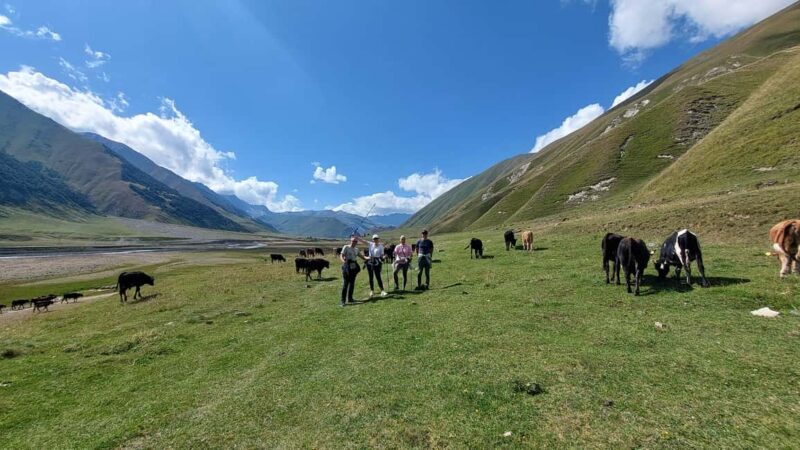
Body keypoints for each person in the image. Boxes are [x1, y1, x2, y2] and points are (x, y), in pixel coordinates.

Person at [340, 235, 367, 307]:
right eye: (353, 241)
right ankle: (342, 301)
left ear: (356, 242)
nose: (354, 242)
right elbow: (341, 255)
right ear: (350, 241)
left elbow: (363, 257)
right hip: (346, 267)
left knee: (352, 283)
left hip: (354, 267)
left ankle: (350, 298)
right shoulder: (346, 247)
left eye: (355, 241)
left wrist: (371, 257)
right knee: (345, 284)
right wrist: (343, 261)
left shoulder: (356, 249)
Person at [363, 234, 388, 298]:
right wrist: (356, 237)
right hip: (370, 261)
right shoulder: (370, 244)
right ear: (373, 239)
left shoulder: (381, 246)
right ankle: (372, 291)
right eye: (374, 239)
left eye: (376, 238)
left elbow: (381, 255)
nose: (375, 240)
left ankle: (382, 291)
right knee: (370, 277)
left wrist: (384, 257)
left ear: (378, 239)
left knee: (378, 276)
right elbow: (363, 241)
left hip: (377, 262)